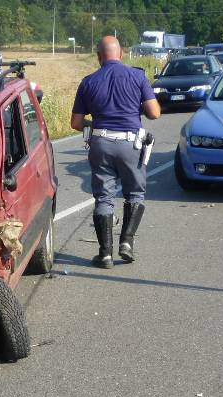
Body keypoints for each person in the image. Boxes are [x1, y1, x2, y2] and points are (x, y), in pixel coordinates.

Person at [70, 36, 161, 268]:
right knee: (135, 194)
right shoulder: (137, 76)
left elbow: (76, 123)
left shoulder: (88, 82)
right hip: (131, 143)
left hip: (101, 143)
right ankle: (127, 243)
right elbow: (154, 113)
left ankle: (105, 254)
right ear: (121, 54)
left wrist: (94, 123)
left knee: (104, 197)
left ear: (99, 56)